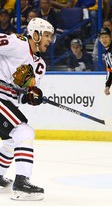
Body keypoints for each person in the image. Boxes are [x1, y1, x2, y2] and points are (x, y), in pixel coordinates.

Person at [0, 17, 55, 200]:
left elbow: (23, 95)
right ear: (35, 34)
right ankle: (22, 184)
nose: (49, 40)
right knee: (23, 132)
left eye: (51, 36)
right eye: (47, 35)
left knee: (10, 140)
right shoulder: (18, 44)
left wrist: (31, 97)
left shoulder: (40, 66)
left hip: (9, 100)